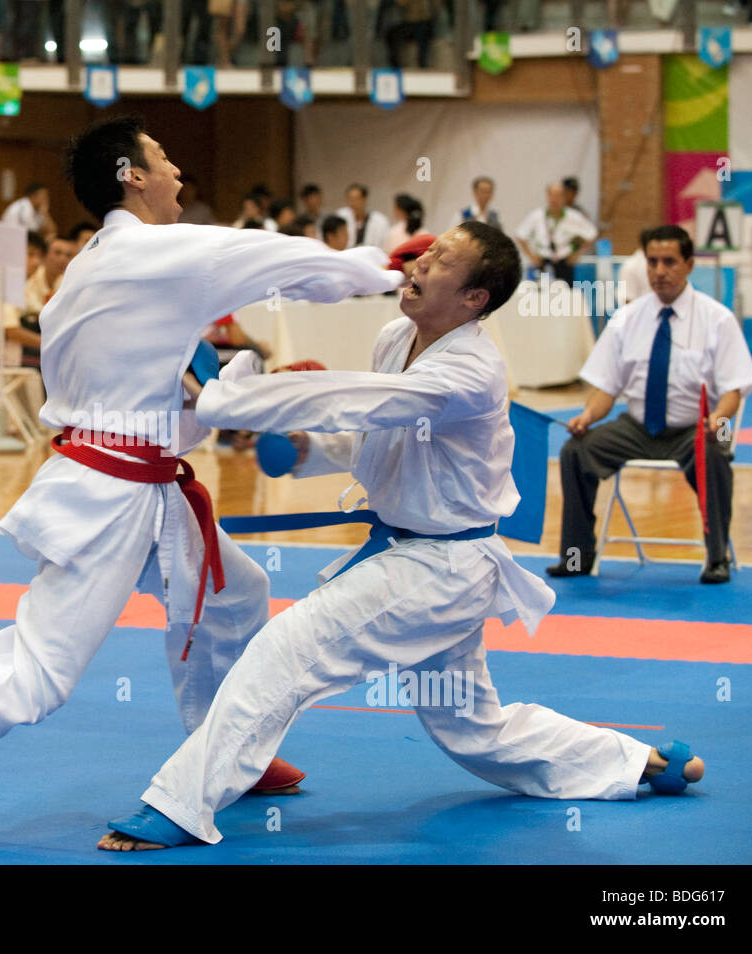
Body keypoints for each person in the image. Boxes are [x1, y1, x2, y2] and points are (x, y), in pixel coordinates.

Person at [0, 114, 404, 850]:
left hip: (140, 483)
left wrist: (246, 391)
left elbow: (148, 391)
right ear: (131, 176)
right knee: (40, 669)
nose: (179, 172)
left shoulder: (90, 276)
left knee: (235, 596)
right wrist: (389, 270)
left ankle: (225, 756)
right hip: (112, 495)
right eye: (164, 159)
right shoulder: (153, 252)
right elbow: (277, 258)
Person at [97, 222, 707, 851]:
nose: (419, 261)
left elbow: (366, 401)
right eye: (428, 249)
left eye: (442, 259)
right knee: (476, 731)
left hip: (439, 568)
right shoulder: (396, 337)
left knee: (288, 647)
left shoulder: (471, 370)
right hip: (417, 557)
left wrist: (236, 396)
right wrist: (306, 448)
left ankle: (178, 805)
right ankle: (642, 765)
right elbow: (376, 433)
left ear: (475, 297)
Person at [547, 225, 752, 585]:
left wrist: (718, 420)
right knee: (576, 450)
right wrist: (587, 415)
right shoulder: (627, 319)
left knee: (716, 451)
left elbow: (733, 391)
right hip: (637, 427)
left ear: (690, 264)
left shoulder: (717, 320)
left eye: (670, 262)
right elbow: (605, 388)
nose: (660, 271)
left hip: (695, 428)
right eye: (653, 262)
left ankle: (717, 555)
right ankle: (576, 554)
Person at [515, 181, 597, 285]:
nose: (555, 199)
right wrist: (531, 256)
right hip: (543, 261)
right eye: (552, 195)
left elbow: (592, 233)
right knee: (541, 295)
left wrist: (577, 254)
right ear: (547, 196)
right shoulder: (537, 215)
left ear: (564, 197)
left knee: (565, 295)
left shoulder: (573, 216)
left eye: (559, 195)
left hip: (564, 262)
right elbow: (520, 235)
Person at [336, 182, 390, 251]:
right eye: (350, 199)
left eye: (356, 199)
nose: (352, 203)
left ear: (365, 199)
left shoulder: (380, 221)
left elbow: (384, 245)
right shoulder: (340, 216)